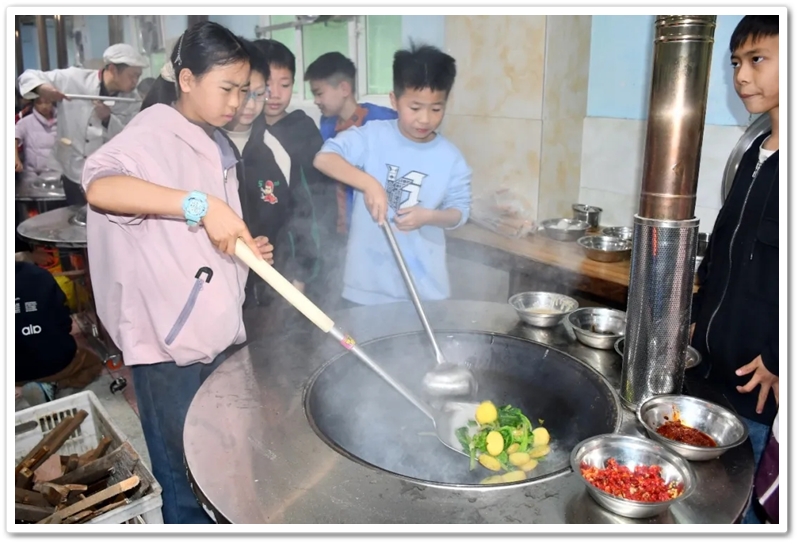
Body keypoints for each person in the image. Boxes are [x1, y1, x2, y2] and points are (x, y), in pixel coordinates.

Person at [80, 21, 273, 524]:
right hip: (169, 351)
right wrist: (201, 204)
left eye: (244, 90)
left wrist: (243, 253)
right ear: (187, 80)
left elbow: (191, 241)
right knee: (184, 482)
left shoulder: (212, 141)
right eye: (226, 88)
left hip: (216, 335)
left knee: (221, 468)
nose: (237, 102)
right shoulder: (148, 136)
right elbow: (101, 188)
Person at [688, 15, 779, 522]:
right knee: (709, 503)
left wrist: (782, 357)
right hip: (713, 371)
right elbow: (721, 251)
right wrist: (697, 315)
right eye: (736, 63)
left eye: (757, 60)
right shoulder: (754, 155)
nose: (742, 76)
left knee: (750, 509)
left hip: (761, 388)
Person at [313, 43, 472, 308]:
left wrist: (429, 217)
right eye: (415, 107)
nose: (425, 119)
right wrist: (369, 184)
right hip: (366, 287)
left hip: (424, 290)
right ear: (394, 100)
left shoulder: (450, 157)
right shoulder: (372, 136)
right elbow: (324, 158)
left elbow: (459, 212)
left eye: (436, 109)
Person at [239, 39, 338, 310]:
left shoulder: (302, 132)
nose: (275, 94)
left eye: (285, 84)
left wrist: (302, 272)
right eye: (266, 85)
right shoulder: (245, 133)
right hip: (248, 265)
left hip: (292, 264)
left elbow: (314, 207)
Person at [18, 43, 148, 206]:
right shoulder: (73, 79)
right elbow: (27, 77)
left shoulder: (132, 100)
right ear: (113, 69)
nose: (135, 81)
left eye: (138, 76)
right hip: (71, 169)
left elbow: (130, 137)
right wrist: (41, 88)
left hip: (106, 173)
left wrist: (108, 119)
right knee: (75, 213)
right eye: (132, 75)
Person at [305, 51, 398, 236]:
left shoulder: (383, 120)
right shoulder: (327, 124)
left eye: (319, 93)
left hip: (377, 223)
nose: (316, 101)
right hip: (340, 226)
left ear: (344, 89)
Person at [15, 260, 103, 407]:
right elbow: (64, 320)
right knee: (92, 363)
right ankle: (54, 384)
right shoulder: (40, 275)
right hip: (55, 363)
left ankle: (19, 387)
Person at [14, 97, 57, 175]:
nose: (44, 106)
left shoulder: (62, 120)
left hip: (57, 172)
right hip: (32, 173)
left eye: (47, 102)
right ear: (34, 103)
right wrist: (15, 158)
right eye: (39, 103)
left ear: (52, 102)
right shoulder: (26, 122)